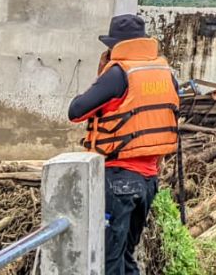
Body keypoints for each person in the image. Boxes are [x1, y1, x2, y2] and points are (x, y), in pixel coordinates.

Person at [68, 14, 179, 275]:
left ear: (115, 45)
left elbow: (76, 111)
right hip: (149, 180)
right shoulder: (165, 73)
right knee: (126, 256)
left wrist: (101, 74)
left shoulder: (118, 74)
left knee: (109, 260)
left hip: (118, 178)